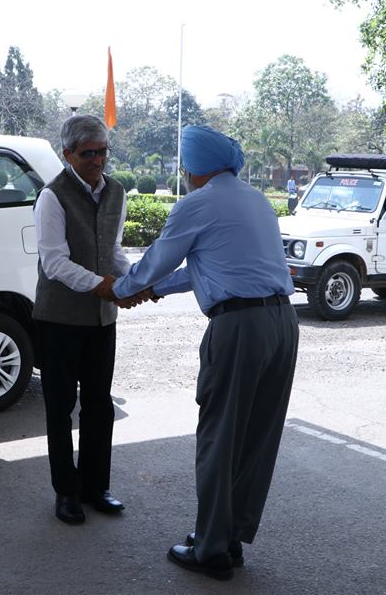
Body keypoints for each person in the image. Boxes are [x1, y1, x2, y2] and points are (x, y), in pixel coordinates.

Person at [111, 125, 299, 581]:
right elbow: (209, 267)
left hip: (238, 327)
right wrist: (155, 290)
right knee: (256, 438)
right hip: (282, 323)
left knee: (219, 436)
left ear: (193, 167)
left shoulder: (195, 205)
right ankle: (229, 536)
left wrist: (121, 289)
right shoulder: (255, 200)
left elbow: (160, 260)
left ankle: (210, 549)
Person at [32, 115, 131, 525]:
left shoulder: (117, 192)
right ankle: (66, 491)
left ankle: (95, 486)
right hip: (59, 319)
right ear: (67, 153)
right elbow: (54, 262)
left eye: (103, 151)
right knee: (60, 406)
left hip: (101, 320)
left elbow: (115, 252)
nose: (98, 160)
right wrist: (104, 286)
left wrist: (134, 281)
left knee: (99, 404)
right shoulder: (52, 196)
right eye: (88, 153)